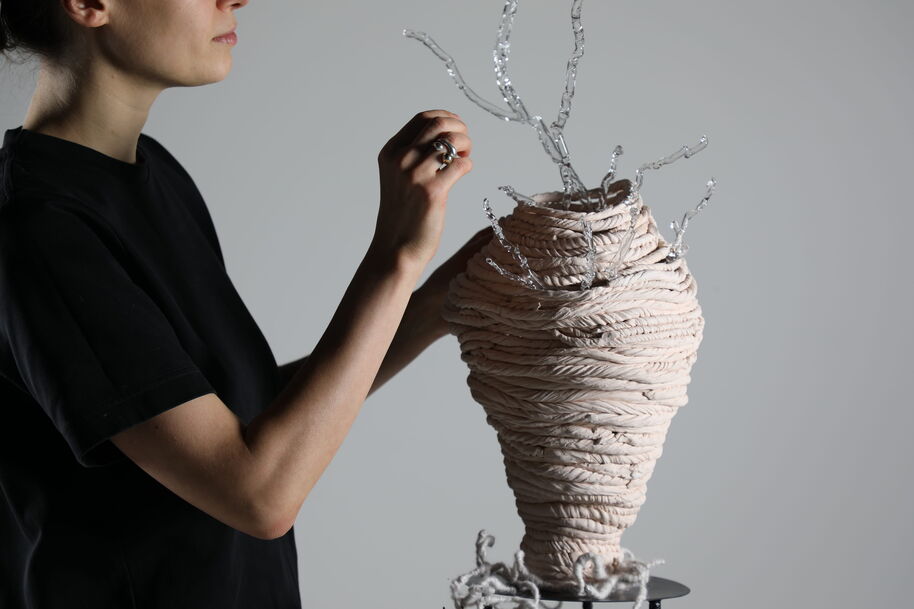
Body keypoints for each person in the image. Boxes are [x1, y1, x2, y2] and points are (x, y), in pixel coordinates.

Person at [0, 0, 493, 606]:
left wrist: (452, 295)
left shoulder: (156, 176)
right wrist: (395, 256)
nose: (235, 0)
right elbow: (258, 495)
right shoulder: (39, 226)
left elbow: (250, 422)